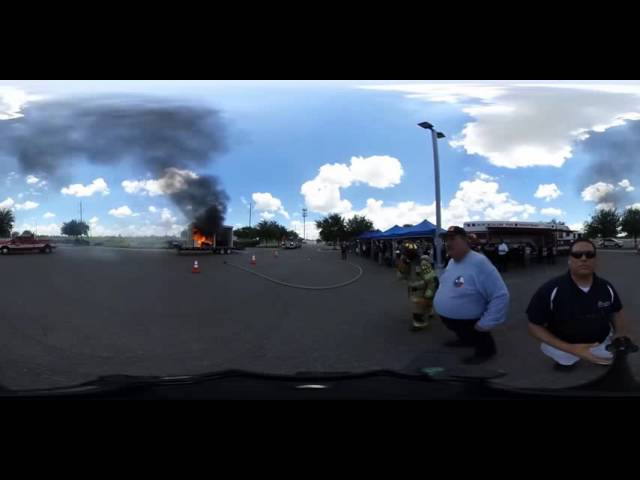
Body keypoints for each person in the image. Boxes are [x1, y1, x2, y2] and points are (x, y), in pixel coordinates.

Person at [527, 239, 631, 371]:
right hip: (563, 344)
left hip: (599, 341)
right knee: (565, 362)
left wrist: (620, 333)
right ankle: (566, 360)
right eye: (577, 254)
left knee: (609, 359)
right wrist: (571, 349)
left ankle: (595, 355)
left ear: (595, 260)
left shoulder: (606, 287)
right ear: (569, 260)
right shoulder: (550, 289)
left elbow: (617, 311)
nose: (583, 258)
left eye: (589, 254)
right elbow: (534, 325)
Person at [434, 226, 510, 364]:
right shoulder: (451, 261)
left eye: (452, 239)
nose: (448, 243)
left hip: (471, 320)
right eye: (446, 240)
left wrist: (486, 323)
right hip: (454, 319)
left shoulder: (479, 263)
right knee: (463, 332)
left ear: (465, 241)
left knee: (479, 336)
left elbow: (500, 295)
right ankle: (465, 341)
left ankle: (486, 352)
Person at [407, 254, 438, 331]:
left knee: (418, 305)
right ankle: (428, 311)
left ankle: (419, 324)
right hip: (415, 287)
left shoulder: (423, 263)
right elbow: (402, 275)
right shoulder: (409, 262)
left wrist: (429, 292)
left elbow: (431, 280)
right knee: (423, 303)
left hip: (422, 287)